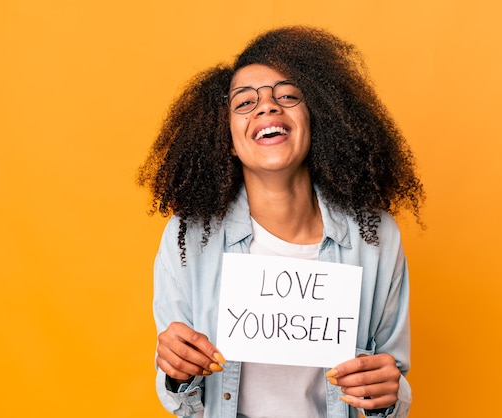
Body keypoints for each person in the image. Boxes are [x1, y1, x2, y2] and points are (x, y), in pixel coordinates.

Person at [138, 26, 424, 418]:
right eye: (244, 102)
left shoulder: (375, 238)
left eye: (287, 96)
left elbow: (392, 386)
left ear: (317, 117)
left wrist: (386, 395)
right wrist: (174, 372)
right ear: (226, 138)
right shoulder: (189, 238)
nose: (267, 107)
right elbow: (180, 400)